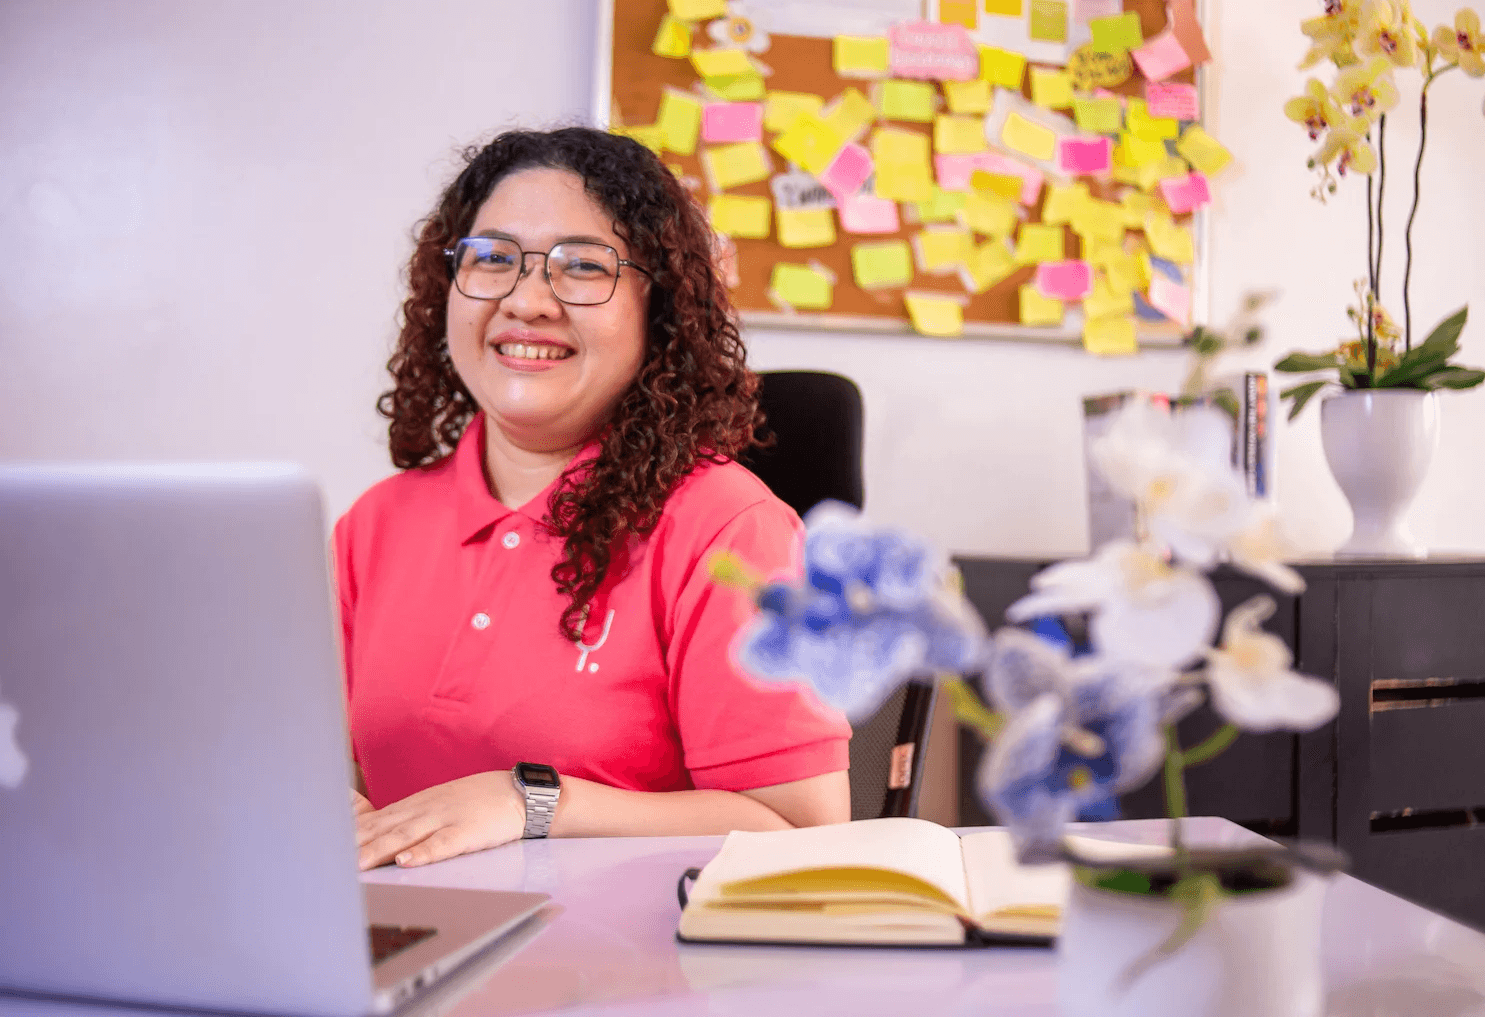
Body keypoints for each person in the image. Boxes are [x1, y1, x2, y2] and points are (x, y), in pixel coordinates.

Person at [335, 127, 852, 870]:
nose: (526, 299)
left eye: (582, 266)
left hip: (638, 964)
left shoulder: (729, 528)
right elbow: (334, 776)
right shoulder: (372, 525)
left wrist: (530, 802)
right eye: (492, 259)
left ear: (659, 309)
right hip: (405, 951)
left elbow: (803, 833)